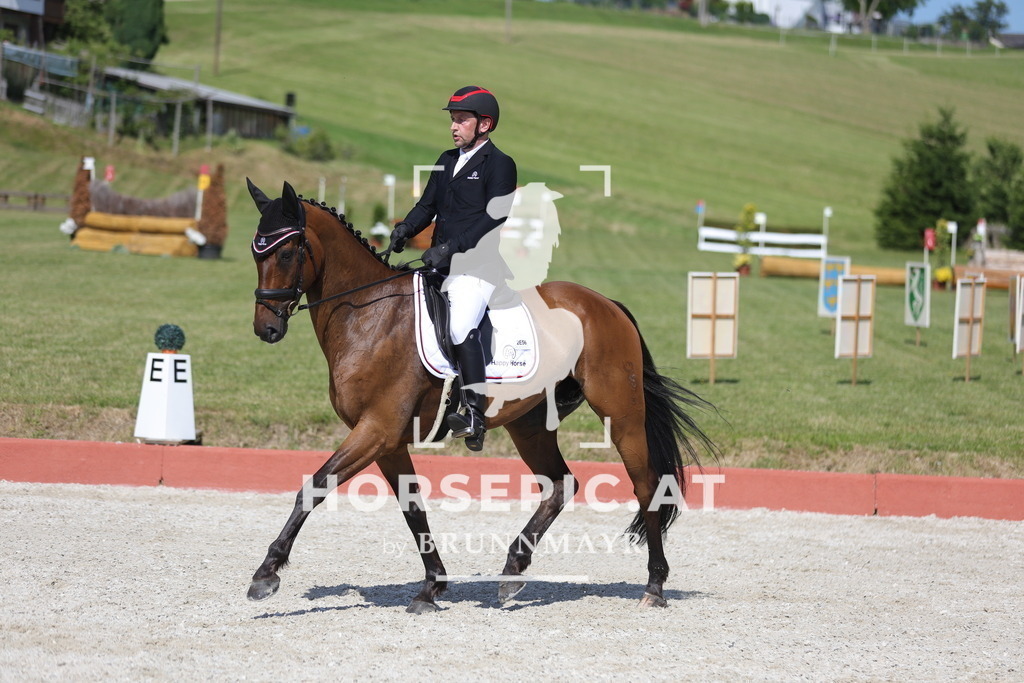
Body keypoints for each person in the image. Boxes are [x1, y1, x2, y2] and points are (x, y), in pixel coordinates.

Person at [390, 86, 517, 451]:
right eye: (452, 119)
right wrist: (405, 229)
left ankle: (475, 414)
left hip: (478, 267)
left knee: (461, 326)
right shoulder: (446, 159)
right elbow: (426, 205)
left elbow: (495, 216)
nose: (454, 127)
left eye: (462, 119)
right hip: (440, 265)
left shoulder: (500, 164)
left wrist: (450, 247)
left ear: (484, 124)